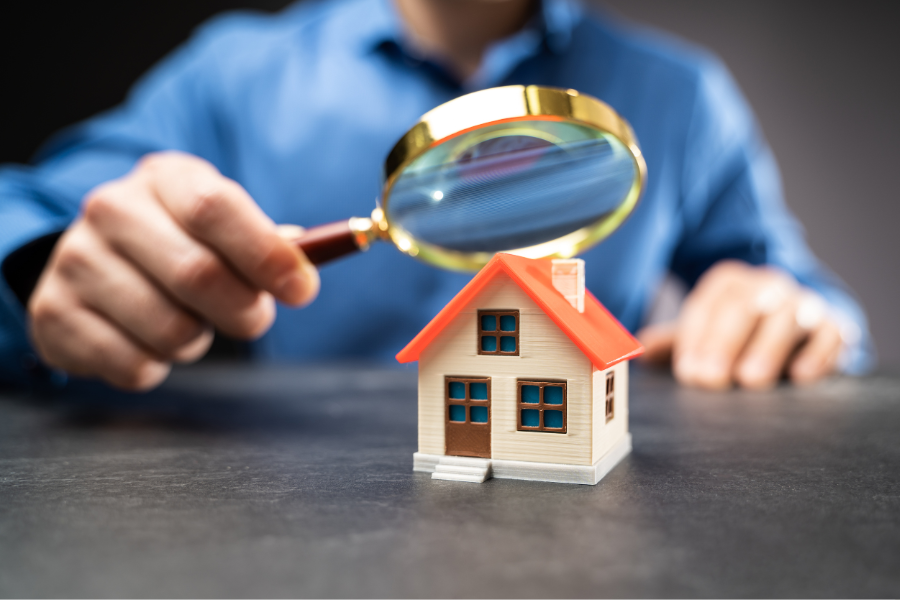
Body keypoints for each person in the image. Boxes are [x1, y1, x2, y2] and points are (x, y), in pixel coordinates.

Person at [0, 0, 874, 392]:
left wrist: (796, 315)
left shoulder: (682, 96)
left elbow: (805, 295)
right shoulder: (234, 73)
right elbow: (27, 208)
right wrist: (41, 267)